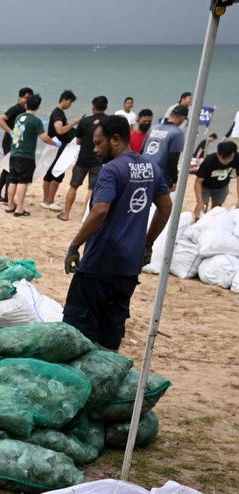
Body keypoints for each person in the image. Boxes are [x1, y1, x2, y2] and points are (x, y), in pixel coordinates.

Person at [63, 115, 173, 351]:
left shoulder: (111, 170)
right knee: (111, 331)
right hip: (128, 268)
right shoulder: (152, 168)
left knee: (76, 330)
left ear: (115, 139)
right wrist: (147, 243)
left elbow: (100, 210)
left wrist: (74, 246)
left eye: (98, 143)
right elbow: (165, 208)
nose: (95, 150)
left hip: (99, 263)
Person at [5, 94, 58, 217]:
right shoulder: (36, 121)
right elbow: (44, 138)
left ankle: (10, 205)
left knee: (13, 180)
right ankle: (19, 208)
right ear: (38, 107)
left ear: (26, 104)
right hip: (26, 155)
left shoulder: (19, 117)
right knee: (23, 182)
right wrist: (55, 143)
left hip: (14, 153)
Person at [59, 96, 109, 221]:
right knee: (92, 189)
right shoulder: (108, 121)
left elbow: (78, 141)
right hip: (98, 159)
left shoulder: (85, 121)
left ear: (93, 106)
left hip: (83, 158)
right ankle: (85, 216)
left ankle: (66, 214)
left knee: (73, 186)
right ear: (106, 107)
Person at [42, 90, 80, 210]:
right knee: (57, 173)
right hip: (58, 146)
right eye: (70, 102)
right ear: (65, 100)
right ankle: (50, 201)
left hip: (53, 146)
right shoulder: (58, 114)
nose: (70, 105)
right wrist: (73, 123)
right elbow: (59, 130)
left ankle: (46, 200)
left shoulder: (58, 112)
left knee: (49, 173)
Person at [0, 87, 33, 202]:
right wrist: (10, 132)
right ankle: (6, 197)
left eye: (29, 98)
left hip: (17, 142)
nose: (27, 100)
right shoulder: (15, 109)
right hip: (9, 141)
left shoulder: (25, 111)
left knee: (7, 168)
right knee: (10, 168)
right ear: (20, 97)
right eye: (26, 98)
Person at [142, 104, 187, 189]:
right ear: (182, 118)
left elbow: (142, 150)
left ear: (170, 115)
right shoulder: (177, 133)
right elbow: (173, 159)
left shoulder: (153, 128)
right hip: (160, 174)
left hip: (143, 169)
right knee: (164, 202)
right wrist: (174, 179)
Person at [194, 140, 237, 215]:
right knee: (202, 208)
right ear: (219, 155)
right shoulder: (209, 161)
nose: (229, 161)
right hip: (206, 187)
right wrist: (199, 201)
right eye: (225, 160)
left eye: (231, 158)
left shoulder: (236, 158)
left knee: (216, 210)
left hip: (222, 186)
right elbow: (198, 181)